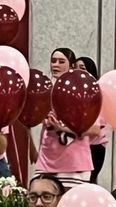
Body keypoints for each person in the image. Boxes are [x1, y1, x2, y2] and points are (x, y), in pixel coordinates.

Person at [37, 48, 95, 180]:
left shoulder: (83, 92)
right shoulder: (46, 91)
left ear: (72, 66)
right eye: (53, 61)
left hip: (74, 163)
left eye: (61, 61)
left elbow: (94, 129)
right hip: (46, 160)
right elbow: (43, 127)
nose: (55, 65)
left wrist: (62, 128)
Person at [76, 56, 108, 184]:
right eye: (75, 68)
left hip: (95, 146)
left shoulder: (96, 93)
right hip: (78, 144)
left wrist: (66, 130)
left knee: (90, 180)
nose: (78, 71)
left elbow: (95, 130)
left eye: (82, 68)